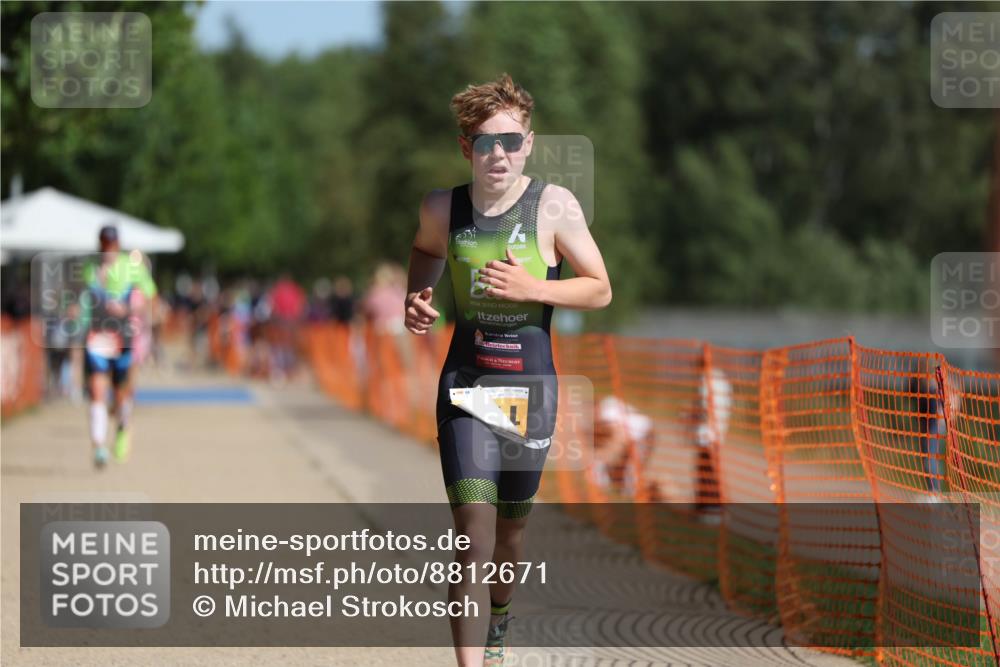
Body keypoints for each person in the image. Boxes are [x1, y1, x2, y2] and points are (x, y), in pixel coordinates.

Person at [404, 73, 612, 667]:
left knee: (510, 537)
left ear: (529, 143)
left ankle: (500, 624)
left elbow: (600, 288)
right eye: (486, 142)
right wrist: (419, 295)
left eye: (512, 141)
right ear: (466, 148)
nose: (500, 154)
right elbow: (425, 253)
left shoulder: (553, 206)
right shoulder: (443, 207)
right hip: (466, 385)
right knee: (471, 536)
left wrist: (531, 286)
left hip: (530, 391)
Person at [79, 225, 157, 468]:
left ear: (117, 244)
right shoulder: (89, 269)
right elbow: (81, 299)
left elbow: (151, 298)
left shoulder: (131, 267)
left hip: (123, 337)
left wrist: (130, 309)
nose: (107, 248)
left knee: (122, 394)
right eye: (104, 243)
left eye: (111, 243)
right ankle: (99, 445)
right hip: (98, 337)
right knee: (96, 390)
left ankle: (123, 426)